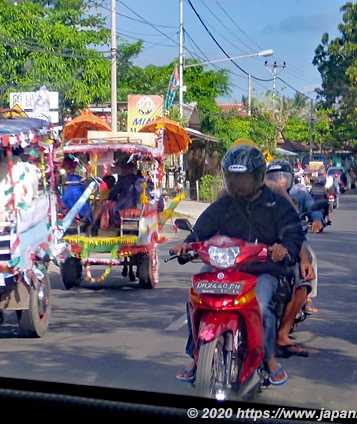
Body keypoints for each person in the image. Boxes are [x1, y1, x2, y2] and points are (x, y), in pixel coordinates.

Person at [173, 143, 304, 386]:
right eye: (232, 176)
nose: (236, 182)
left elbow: (294, 234)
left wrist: (283, 249)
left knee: (262, 307)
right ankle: (196, 356)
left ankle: (268, 359)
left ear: (257, 177)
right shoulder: (225, 203)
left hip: (262, 271)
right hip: (224, 268)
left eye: (242, 177)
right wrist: (186, 244)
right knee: (194, 299)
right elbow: (202, 228)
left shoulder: (276, 202)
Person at [265, 160, 320, 358]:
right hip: (262, 246)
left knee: (306, 270)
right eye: (273, 177)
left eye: (282, 177)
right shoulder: (259, 195)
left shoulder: (298, 195)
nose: (278, 181)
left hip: (293, 242)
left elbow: (312, 207)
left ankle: (283, 333)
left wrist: (316, 219)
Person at [107, 160, 145, 227]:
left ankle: (109, 226)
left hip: (124, 210)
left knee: (107, 205)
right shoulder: (142, 180)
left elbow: (112, 195)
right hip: (142, 211)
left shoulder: (123, 180)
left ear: (125, 169)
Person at [59, 155, 93, 226]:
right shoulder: (65, 177)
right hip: (69, 198)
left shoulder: (77, 179)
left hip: (75, 198)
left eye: (68, 167)